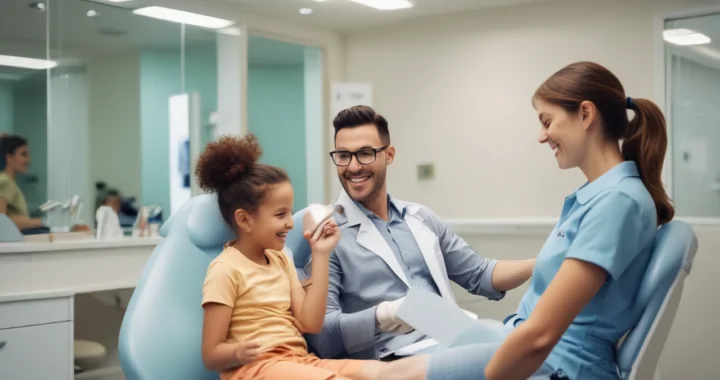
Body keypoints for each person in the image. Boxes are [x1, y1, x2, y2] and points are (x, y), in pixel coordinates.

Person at [397, 61, 676, 380]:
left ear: (585, 114)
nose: (542, 136)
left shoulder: (618, 201)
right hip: (531, 342)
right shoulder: (600, 194)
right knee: (391, 363)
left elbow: (541, 337)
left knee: (390, 374)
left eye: (547, 121)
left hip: (561, 363)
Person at [306, 105, 536, 360]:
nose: (353, 166)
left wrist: (543, 262)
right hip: (396, 357)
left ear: (389, 155)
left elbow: (480, 274)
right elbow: (322, 336)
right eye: (343, 155)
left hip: (452, 336)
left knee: (535, 342)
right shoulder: (326, 236)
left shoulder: (420, 218)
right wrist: (384, 315)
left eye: (365, 154)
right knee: (518, 355)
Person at [197, 134, 424, 380]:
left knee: (392, 373)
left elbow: (311, 323)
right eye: (280, 214)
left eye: (290, 212)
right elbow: (211, 355)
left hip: (298, 361)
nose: (289, 223)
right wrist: (238, 352)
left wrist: (321, 253)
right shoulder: (225, 269)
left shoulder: (281, 260)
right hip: (255, 369)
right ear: (244, 219)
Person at [0, 134, 43, 230]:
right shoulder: (5, 182)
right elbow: (1, 221)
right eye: (24, 154)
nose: (28, 160)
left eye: (28, 155)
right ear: (9, 158)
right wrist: (42, 222)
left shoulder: (9, 182)